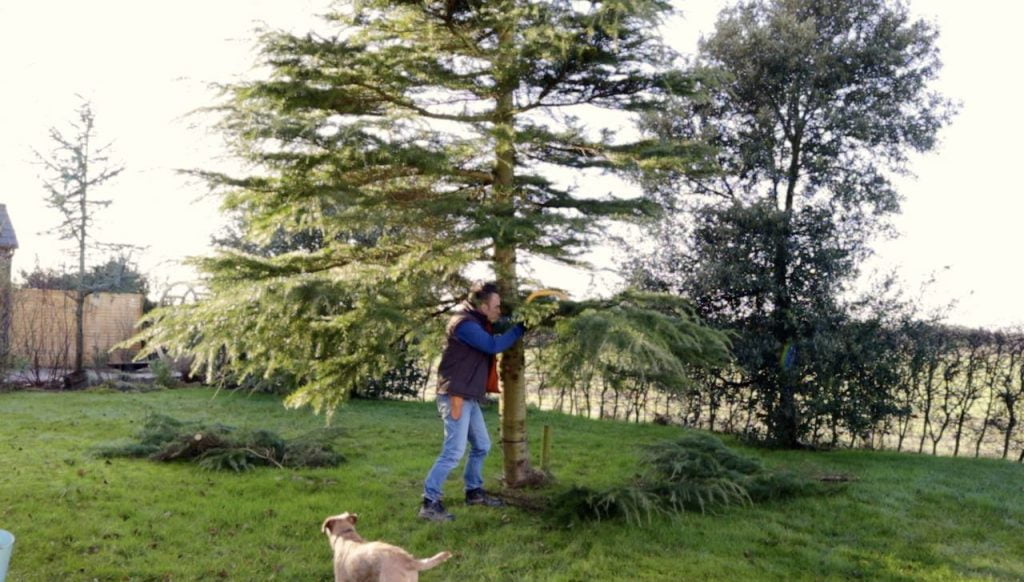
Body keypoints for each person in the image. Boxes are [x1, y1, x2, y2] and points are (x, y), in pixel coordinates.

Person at [419, 281, 525, 522]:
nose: (499, 311)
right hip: (456, 395)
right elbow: (492, 344)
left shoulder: (478, 320)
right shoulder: (464, 324)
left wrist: (521, 321)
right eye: (496, 306)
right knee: (453, 452)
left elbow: (497, 327)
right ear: (482, 305)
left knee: (482, 446)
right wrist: (520, 329)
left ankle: (474, 492)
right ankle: (429, 502)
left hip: (467, 395)